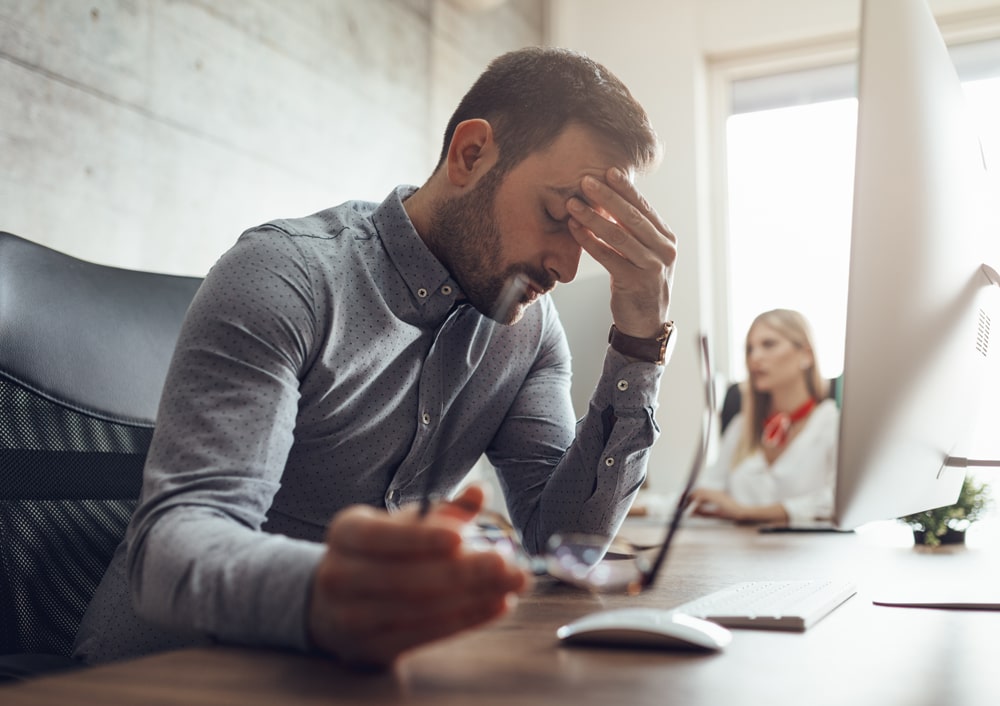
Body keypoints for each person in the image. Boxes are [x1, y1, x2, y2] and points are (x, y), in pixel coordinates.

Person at [72, 47, 678, 668]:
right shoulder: (286, 275)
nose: (568, 267)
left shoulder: (525, 329)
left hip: (356, 679)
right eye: (557, 215)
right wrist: (326, 594)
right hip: (167, 674)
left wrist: (639, 341)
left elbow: (561, 540)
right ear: (471, 155)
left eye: (587, 236)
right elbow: (170, 549)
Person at [688, 309, 838, 525]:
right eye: (750, 349)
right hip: (743, 554)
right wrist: (635, 505)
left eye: (769, 344)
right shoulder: (742, 426)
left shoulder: (832, 423)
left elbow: (837, 501)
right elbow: (705, 493)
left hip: (810, 555)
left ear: (806, 355)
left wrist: (748, 513)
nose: (754, 358)